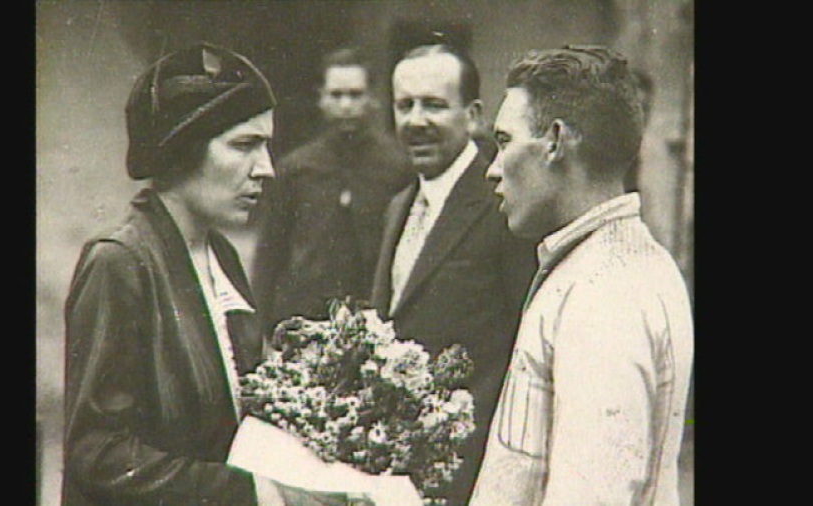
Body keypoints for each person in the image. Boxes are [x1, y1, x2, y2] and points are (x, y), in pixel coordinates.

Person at [63, 42, 375, 506]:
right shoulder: (120, 263)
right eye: (244, 145)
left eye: (266, 146)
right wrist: (258, 494)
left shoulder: (220, 255)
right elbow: (99, 453)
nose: (266, 169)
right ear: (183, 150)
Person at [470, 45, 694, 506]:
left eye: (504, 141)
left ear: (555, 141)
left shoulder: (604, 292)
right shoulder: (614, 264)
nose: (492, 169)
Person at [370, 44, 536, 506]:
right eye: (405, 105)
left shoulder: (504, 207)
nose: (416, 121)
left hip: (473, 471)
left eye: (434, 105)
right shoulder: (397, 207)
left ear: (474, 115)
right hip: (396, 472)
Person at [253, 48, 413, 332]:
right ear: (322, 98)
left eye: (355, 95)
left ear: (372, 99)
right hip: (305, 314)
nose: (346, 105)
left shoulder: (398, 166)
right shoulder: (296, 167)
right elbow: (271, 251)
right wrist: (260, 325)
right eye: (336, 95)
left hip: (372, 317)